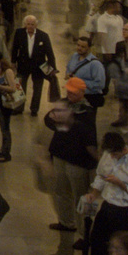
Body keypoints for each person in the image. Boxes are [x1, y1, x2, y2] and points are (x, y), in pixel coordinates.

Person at [45, 83, 99, 233]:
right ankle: (66, 222)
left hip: (78, 160)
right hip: (60, 154)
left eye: (73, 93)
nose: (69, 95)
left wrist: (66, 121)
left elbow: (88, 137)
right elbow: (48, 120)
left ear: (82, 92)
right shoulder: (64, 104)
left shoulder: (87, 111)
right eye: (68, 92)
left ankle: (85, 232)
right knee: (61, 190)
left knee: (81, 197)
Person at [13, 14, 57, 115]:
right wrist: (13, 62)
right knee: (19, 87)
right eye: (28, 24)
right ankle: (18, 108)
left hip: (38, 67)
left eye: (32, 24)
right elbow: (15, 48)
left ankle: (34, 109)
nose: (30, 26)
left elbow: (50, 53)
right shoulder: (19, 33)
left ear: (36, 25)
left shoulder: (43, 36)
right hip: (23, 65)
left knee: (37, 88)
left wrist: (53, 68)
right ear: (25, 24)